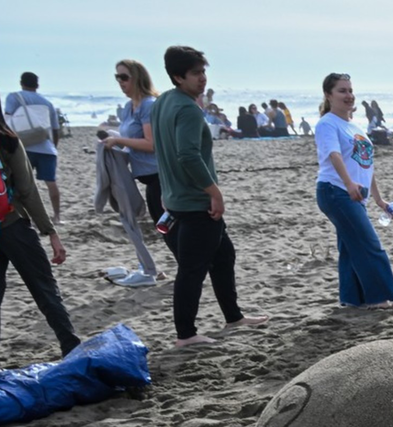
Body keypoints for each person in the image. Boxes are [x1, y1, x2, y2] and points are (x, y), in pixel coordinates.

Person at [151, 45, 268, 346]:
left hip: (177, 199)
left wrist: (168, 189)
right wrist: (214, 192)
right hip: (194, 203)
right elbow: (187, 155)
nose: (202, 78)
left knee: (224, 256)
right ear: (178, 76)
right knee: (191, 271)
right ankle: (186, 335)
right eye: (195, 73)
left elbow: (162, 152)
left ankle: (233, 317)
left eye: (203, 72)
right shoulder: (187, 108)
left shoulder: (163, 101)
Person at [0, 73, 78, 373]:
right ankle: (70, 347)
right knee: (44, 289)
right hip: (13, 225)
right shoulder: (5, 137)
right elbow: (28, 191)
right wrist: (50, 232)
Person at [314, 73, 393, 310]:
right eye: (342, 91)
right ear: (329, 95)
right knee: (368, 244)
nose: (349, 96)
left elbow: (366, 165)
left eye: (350, 90)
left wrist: (379, 200)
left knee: (351, 246)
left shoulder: (354, 126)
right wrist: (349, 183)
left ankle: (353, 300)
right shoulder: (327, 123)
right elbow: (334, 155)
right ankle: (379, 299)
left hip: (353, 193)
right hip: (335, 191)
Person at [100, 58, 164, 286]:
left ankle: (186, 272)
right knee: (162, 225)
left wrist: (118, 139)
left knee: (166, 226)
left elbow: (151, 143)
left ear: (138, 78)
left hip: (160, 176)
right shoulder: (129, 107)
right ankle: (153, 268)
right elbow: (131, 143)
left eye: (124, 77)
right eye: (117, 77)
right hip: (146, 176)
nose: (120, 82)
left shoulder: (148, 105)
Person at [3, 74, 63, 224]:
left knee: (17, 182)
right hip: (46, 148)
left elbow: (7, 120)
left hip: (23, 147)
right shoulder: (47, 103)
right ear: (37, 85)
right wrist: (53, 147)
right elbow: (55, 130)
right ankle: (57, 217)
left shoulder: (13, 97)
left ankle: (20, 215)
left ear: (21, 83)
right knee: (51, 182)